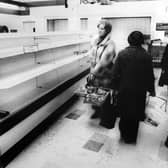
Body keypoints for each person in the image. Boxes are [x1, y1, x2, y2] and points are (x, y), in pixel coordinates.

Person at [110, 31, 155, 144]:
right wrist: (152, 90)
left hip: (124, 89)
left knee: (124, 114)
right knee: (135, 115)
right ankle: (131, 138)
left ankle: (124, 135)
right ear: (142, 42)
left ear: (129, 40)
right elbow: (150, 75)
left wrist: (113, 88)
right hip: (140, 91)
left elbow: (114, 74)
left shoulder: (122, 54)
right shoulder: (147, 56)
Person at [88, 19, 116, 128]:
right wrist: (91, 70)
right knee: (95, 94)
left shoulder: (110, 44)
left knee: (105, 97)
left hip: (105, 75)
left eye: (102, 28)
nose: (100, 30)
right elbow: (91, 56)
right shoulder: (95, 41)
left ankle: (106, 120)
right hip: (95, 74)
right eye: (99, 28)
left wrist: (93, 72)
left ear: (107, 30)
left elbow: (103, 62)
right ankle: (97, 112)